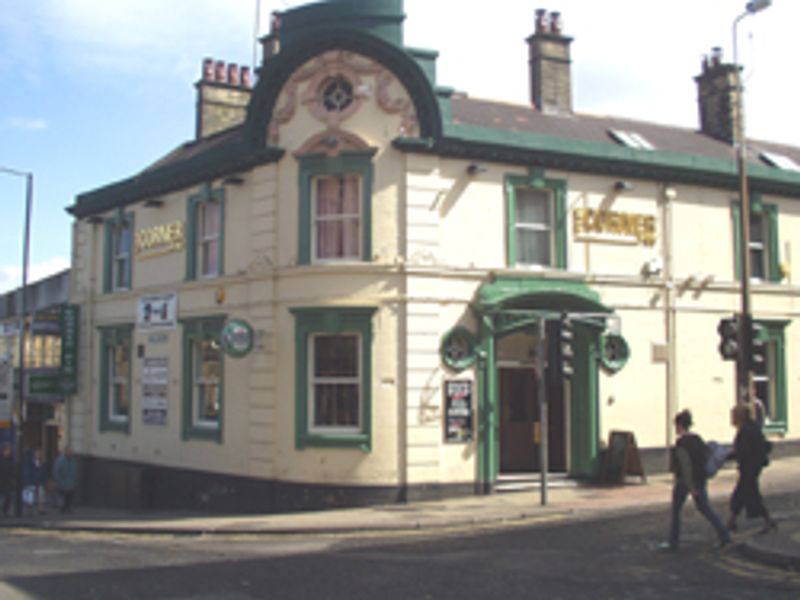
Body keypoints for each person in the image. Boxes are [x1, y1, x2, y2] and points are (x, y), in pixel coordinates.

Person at [664, 409, 730, 551]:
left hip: (685, 482)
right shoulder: (698, 440)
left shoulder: (681, 443)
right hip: (700, 480)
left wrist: (690, 486)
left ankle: (673, 543)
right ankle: (724, 535)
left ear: (679, 425)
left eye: (676, 426)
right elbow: (703, 460)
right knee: (705, 509)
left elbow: (685, 465)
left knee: (676, 511)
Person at [727, 403, 776, 534]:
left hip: (749, 468)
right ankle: (732, 522)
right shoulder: (751, 427)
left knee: (747, 494)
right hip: (751, 467)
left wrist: (728, 456)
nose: (731, 419)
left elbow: (744, 450)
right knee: (745, 494)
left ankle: (767, 521)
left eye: (733, 416)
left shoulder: (746, 430)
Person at [23, 448, 48, 515]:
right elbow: (28, 471)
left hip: (40, 481)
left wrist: (44, 480)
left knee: (41, 495)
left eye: (39, 454)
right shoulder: (30, 462)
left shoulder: (42, 462)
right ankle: (30, 509)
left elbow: (44, 472)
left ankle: (40, 509)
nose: (38, 455)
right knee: (31, 496)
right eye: (37, 453)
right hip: (32, 481)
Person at [54, 446, 79, 514]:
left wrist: (74, 479)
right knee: (63, 495)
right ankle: (62, 508)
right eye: (69, 451)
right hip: (63, 481)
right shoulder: (60, 460)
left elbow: (75, 470)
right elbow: (57, 471)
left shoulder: (73, 460)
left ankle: (68, 507)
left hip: (70, 481)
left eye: (71, 451)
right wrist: (59, 480)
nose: (70, 453)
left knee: (70, 495)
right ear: (66, 451)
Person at [0, 444, 14, 516]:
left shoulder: (10, 459)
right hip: (1, 480)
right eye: (7, 450)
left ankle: (5, 511)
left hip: (7, 481)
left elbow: (12, 470)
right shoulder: (1, 459)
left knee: (8, 496)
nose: (8, 452)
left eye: (9, 450)